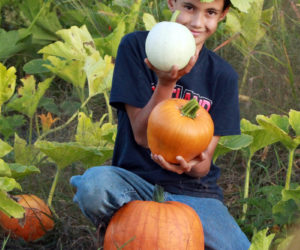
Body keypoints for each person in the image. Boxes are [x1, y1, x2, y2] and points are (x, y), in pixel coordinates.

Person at [70, 0, 251, 249]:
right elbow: (143, 137)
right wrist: (166, 84)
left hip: (194, 194)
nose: (197, 22)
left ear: (223, 15)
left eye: (210, 12)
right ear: (172, 2)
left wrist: (189, 165)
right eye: (189, 6)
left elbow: (203, 164)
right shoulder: (136, 48)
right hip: (134, 184)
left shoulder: (222, 76)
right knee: (94, 187)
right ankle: (118, 234)